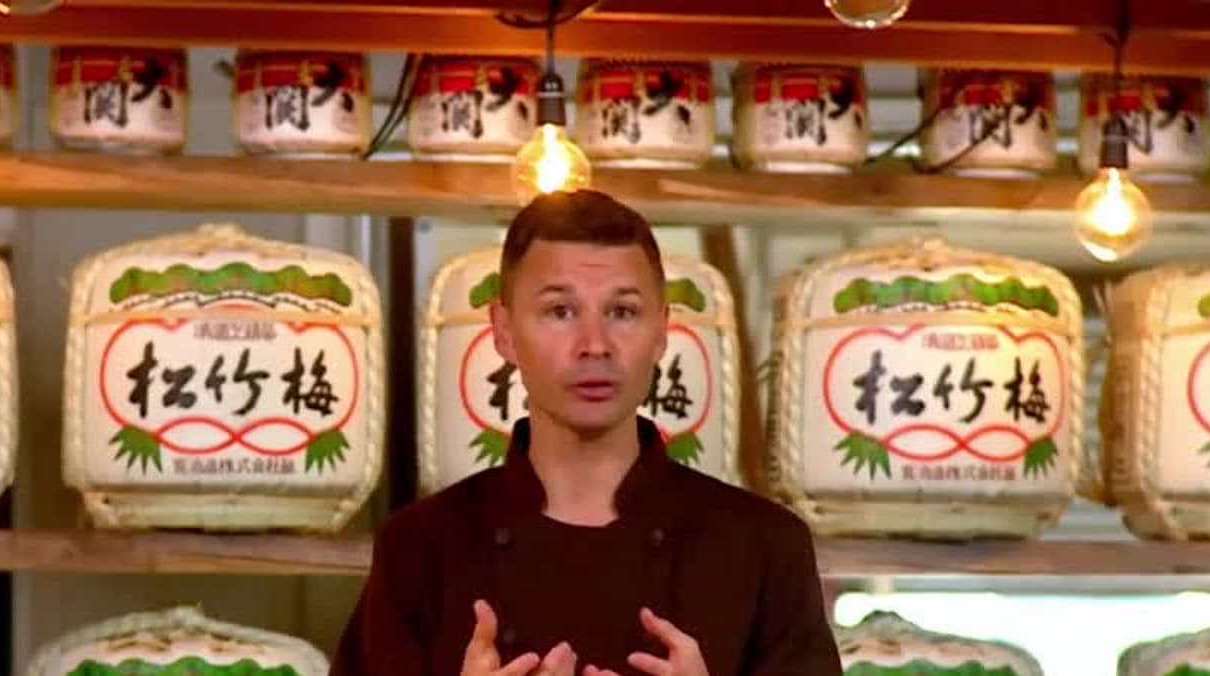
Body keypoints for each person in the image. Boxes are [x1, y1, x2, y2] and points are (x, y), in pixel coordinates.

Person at [332, 190, 842, 676]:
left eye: (623, 312)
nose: (595, 344)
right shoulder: (418, 549)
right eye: (560, 311)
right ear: (504, 331)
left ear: (662, 330)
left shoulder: (766, 547)